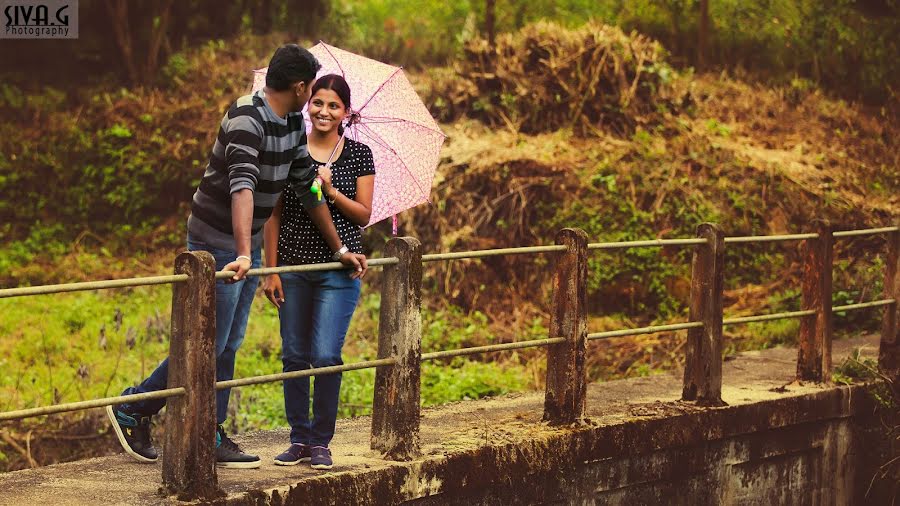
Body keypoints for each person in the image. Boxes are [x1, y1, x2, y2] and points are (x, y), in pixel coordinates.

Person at [105, 46, 368, 469]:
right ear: (300, 87)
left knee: (228, 343)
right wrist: (245, 252)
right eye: (311, 91)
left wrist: (339, 247)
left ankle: (211, 430)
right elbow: (241, 184)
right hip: (216, 243)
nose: (312, 99)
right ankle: (135, 405)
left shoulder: (291, 124)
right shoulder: (247, 116)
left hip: (245, 246)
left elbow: (306, 187)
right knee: (207, 340)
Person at [263, 74, 375, 470]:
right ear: (307, 106)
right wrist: (270, 269)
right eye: (318, 103)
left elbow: (364, 215)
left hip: (337, 272)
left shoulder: (359, 154)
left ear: (346, 112)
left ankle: (321, 440)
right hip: (292, 267)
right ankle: (298, 439)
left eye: (333, 105)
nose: (324, 111)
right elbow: (272, 213)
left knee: (326, 354)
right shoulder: (290, 149)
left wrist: (330, 190)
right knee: (294, 355)